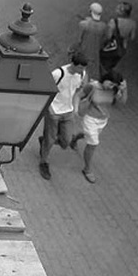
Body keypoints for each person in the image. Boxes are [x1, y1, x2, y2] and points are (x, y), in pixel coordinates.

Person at [70, 70, 128, 183]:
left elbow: (122, 104)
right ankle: (87, 169)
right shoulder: (93, 86)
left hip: (103, 119)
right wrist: (75, 109)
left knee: (90, 137)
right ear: (105, 79)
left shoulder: (114, 91)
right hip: (90, 118)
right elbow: (78, 95)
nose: (110, 87)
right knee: (93, 143)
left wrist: (124, 89)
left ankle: (75, 139)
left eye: (114, 85)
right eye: (110, 83)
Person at [39, 51, 88, 181]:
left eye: (84, 68)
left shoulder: (81, 74)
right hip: (54, 111)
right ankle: (44, 161)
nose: (82, 70)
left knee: (66, 141)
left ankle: (44, 143)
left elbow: (78, 92)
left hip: (68, 111)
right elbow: (46, 89)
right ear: (74, 64)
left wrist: (75, 108)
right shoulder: (58, 74)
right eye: (80, 67)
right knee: (50, 138)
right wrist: (50, 109)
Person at [99, 1, 137, 75]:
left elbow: (108, 37)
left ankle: (103, 76)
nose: (115, 9)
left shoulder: (113, 22)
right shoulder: (133, 23)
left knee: (103, 62)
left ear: (122, 12)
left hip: (110, 47)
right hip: (122, 48)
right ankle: (108, 73)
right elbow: (132, 37)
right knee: (112, 63)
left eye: (118, 8)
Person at [75, 2, 108, 80]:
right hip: (95, 54)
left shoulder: (83, 24)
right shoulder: (103, 26)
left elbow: (79, 40)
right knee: (91, 72)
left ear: (90, 11)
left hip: (83, 51)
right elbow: (104, 40)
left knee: (80, 70)